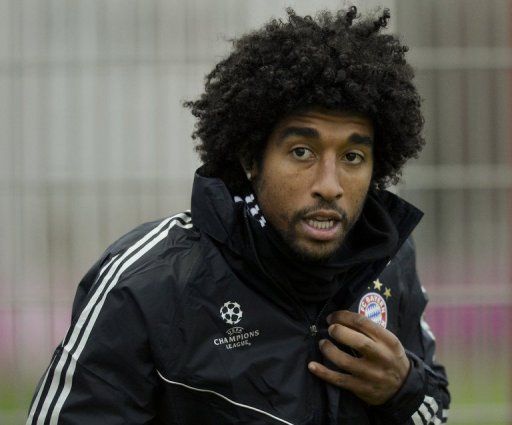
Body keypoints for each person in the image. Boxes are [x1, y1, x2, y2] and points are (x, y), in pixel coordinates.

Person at [27, 6, 450, 425]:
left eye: (353, 156)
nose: (329, 184)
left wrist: (404, 390)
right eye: (302, 152)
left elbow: (435, 405)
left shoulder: (388, 260)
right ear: (252, 157)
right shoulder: (149, 284)